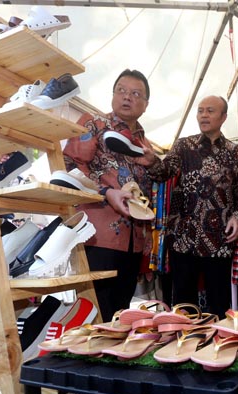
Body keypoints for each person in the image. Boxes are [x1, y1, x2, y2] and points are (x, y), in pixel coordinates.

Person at [142, 95, 238, 318]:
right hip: (184, 235)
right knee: (183, 302)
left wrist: (236, 217)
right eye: (200, 110)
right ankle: (182, 345)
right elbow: (164, 173)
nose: (203, 115)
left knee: (219, 299)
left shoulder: (236, 153)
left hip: (220, 237)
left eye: (210, 111)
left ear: (223, 117)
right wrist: (152, 161)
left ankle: (219, 347)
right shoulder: (184, 145)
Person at [63, 69, 152, 322]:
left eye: (136, 94)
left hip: (134, 240)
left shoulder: (144, 143)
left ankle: (113, 360)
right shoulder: (94, 123)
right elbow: (69, 167)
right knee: (94, 312)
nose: (127, 97)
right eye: (121, 91)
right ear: (113, 95)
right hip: (98, 235)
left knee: (119, 314)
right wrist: (105, 192)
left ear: (145, 105)